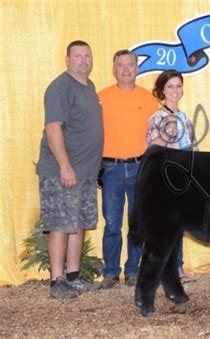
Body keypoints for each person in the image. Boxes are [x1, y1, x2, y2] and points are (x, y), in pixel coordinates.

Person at [36, 40, 104, 299]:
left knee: (78, 224)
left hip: (86, 171)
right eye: (78, 56)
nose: (83, 60)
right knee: (61, 224)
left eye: (87, 56)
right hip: (62, 171)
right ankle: (56, 281)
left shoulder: (89, 87)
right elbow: (53, 128)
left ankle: (74, 277)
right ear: (67, 60)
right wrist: (65, 166)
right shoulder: (60, 87)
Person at [98, 50, 158, 288]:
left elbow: (157, 136)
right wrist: (95, 167)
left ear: (137, 69)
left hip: (140, 166)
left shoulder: (149, 99)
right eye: (120, 66)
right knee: (112, 222)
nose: (125, 70)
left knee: (137, 222)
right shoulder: (101, 98)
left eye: (130, 65)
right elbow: (92, 134)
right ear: (114, 70)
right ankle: (111, 271)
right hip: (110, 167)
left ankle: (133, 270)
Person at [146, 69, 197, 283]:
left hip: (183, 177)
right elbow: (150, 149)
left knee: (177, 226)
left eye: (178, 86)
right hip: (165, 177)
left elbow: (193, 147)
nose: (175, 90)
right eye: (170, 86)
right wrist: (167, 133)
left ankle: (176, 268)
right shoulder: (157, 117)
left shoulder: (184, 117)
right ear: (161, 91)